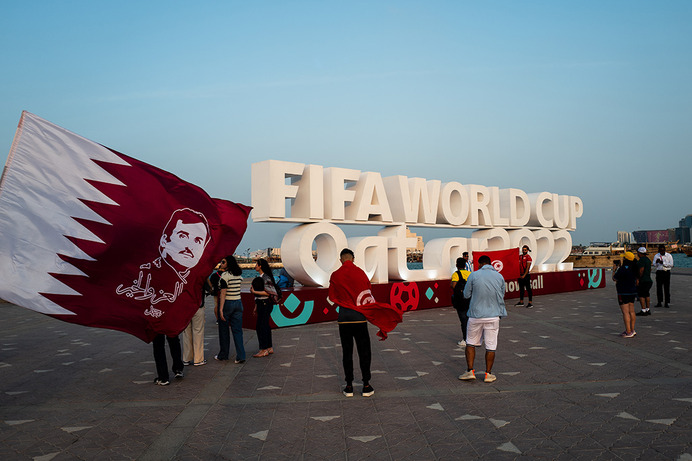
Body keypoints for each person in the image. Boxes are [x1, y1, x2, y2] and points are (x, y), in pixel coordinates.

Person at [328, 248, 402, 397]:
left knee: (347, 352)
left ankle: (348, 386)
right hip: (359, 317)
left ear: (341, 260)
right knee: (364, 351)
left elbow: (332, 296)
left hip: (344, 318)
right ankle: (366, 385)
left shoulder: (335, 275)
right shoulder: (361, 273)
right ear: (353, 259)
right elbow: (367, 293)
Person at [459, 255, 507, 383]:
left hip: (476, 315)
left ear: (480, 264)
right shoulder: (499, 276)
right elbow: (502, 295)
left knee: (470, 343)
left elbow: (466, 294)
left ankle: (470, 371)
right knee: (491, 346)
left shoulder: (473, 275)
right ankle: (488, 374)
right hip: (493, 315)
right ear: (490, 264)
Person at [215, 255, 246, 364]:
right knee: (237, 331)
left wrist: (220, 309)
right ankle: (241, 355)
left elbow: (223, 293)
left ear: (228, 263)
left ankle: (223, 354)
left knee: (224, 330)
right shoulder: (238, 275)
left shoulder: (225, 276)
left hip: (228, 303)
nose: (221, 263)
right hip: (238, 302)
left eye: (223, 262)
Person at [250, 258, 278, 358]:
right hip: (262, 303)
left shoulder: (265, 278)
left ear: (260, 266)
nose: (255, 266)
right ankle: (269, 347)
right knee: (265, 325)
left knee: (260, 326)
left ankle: (263, 349)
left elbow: (268, 292)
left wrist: (254, 292)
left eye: (257, 264)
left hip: (265, 303)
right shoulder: (263, 277)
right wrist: (256, 305)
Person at [613, 252, 638, 338]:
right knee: (632, 311)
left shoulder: (622, 269)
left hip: (623, 292)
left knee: (625, 312)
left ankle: (628, 331)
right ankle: (632, 329)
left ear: (625, 259)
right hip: (632, 291)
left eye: (623, 258)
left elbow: (614, 278)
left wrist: (614, 269)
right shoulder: (634, 268)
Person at [450, 257, 471, 347]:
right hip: (470, 300)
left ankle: (465, 339)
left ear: (456, 265)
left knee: (463, 320)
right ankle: (474, 338)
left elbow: (453, 285)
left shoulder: (456, 274)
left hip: (460, 301)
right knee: (471, 320)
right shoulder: (470, 274)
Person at [182, 291, 206, 366]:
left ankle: (187, 358)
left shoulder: (182, 279)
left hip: (185, 307)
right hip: (198, 306)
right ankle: (198, 359)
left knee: (186, 333)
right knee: (198, 332)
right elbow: (209, 288)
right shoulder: (200, 279)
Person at [635, 247, 653, 316]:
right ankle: (648, 309)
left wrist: (638, 278)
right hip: (648, 280)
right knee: (647, 295)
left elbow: (641, 270)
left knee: (641, 295)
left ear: (639, 253)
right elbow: (650, 269)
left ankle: (643, 310)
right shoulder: (648, 260)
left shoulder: (641, 260)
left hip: (643, 280)